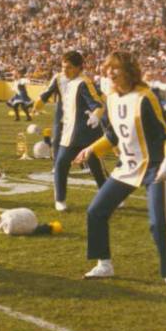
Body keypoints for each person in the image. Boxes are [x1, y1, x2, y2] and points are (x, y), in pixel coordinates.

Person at [76, 51, 166, 289]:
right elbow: (113, 135)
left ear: (130, 72)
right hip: (126, 166)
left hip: (154, 167)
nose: (110, 73)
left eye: (116, 68)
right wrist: (91, 149)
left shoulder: (146, 97)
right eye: (107, 69)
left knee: (159, 222)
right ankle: (104, 263)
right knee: (96, 211)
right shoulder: (111, 99)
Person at [49, 51, 107, 212]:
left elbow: (98, 104)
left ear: (78, 68)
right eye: (62, 67)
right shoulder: (65, 80)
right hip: (69, 133)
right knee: (61, 164)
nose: (64, 71)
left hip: (86, 133)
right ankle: (60, 199)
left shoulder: (83, 82)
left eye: (68, 68)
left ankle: (108, 195)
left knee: (96, 167)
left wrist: (95, 116)